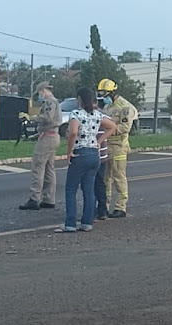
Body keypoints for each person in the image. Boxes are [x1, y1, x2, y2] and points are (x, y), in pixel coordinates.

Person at [56, 87, 116, 233]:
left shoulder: (76, 114)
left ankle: (70, 224)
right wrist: (99, 141)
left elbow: (73, 132)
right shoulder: (97, 114)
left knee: (71, 189)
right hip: (94, 154)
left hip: (80, 153)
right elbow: (112, 127)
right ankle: (87, 222)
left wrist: (69, 151)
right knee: (89, 190)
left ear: (80, 100)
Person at [97, 78, 138, 218]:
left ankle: (121, 207)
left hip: (118, 147)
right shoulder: (107, 107)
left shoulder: (125, 107)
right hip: (106, 146)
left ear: (113, 92)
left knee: (118, 177)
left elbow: (125, 127)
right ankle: (105, 206)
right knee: (105, 178)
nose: (104, 98)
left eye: (106, 95)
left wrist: (109, 130)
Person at [19, 81, 62, 210]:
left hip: (47, 137)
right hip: (53, 135)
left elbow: (47, 118)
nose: (39, 95)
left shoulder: (49, 102)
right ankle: (49, 198)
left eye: (39, 93)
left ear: (43, 90)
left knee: (38, 167)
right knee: (49, 168)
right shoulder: (55, 102)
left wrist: (31, 118)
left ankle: (34, 198)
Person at [94, 99, 110, 221]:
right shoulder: (104, 116)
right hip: (103, 155)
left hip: (93, 154)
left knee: (90, 184)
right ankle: (102, 210)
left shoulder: (89, 114)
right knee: (100, 183)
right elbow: (112, 127)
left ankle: (94, 209)